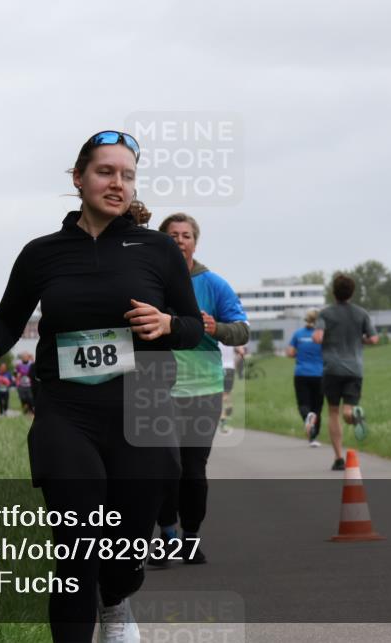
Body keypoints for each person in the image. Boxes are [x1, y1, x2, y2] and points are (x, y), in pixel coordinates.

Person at [0, 130, 203, 643]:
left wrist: (167, 324)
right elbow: (8, 317)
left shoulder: (158, 250)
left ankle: (116, 598)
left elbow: (191, 326)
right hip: (67, 411)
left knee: (126, 546)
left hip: (141, 407)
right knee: (76, 549)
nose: (118, 183)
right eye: (105, 172)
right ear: (78, 178)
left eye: (128, 175)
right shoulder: (42, 254)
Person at [151, 212, 249, 566]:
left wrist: (216, 328)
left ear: (195, 241)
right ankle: (167, 535)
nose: (179, 240)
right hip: (157, 388)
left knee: (193, 468)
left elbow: (242, 330)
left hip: (202, 389)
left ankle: (191, 537)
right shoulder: (150, 281)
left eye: (186, 235)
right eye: (172, 235)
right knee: (163, 467)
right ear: (162, 240)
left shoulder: (214, 284)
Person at [312, 274, 378, 470]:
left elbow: (317, 337)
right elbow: (374, 339)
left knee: (333, 412)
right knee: (346, 410)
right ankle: (353, 415)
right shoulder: (361, 313)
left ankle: (339, 458)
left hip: (332, 369)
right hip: (355, 369)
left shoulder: (325, 314)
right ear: (352, 292)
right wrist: (360, 339)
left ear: (334, 292)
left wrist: (323, 337)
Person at [287, 308, 324, 447]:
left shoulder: (298, 334)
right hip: (319, 374)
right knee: (317, 407)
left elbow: (290, 353)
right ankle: (313, 438)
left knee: (303, 404)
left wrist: (301, 354)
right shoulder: (322, 335)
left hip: (301, 373)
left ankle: (307, 417)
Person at [218, 343, 237, 434]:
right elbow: (241, 351)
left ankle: (223, 418)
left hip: (219, 367)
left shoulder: (216, 338)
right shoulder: (232, 338)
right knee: (226, 394)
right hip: (229, 368)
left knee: (222, 395)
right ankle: (225, 415)